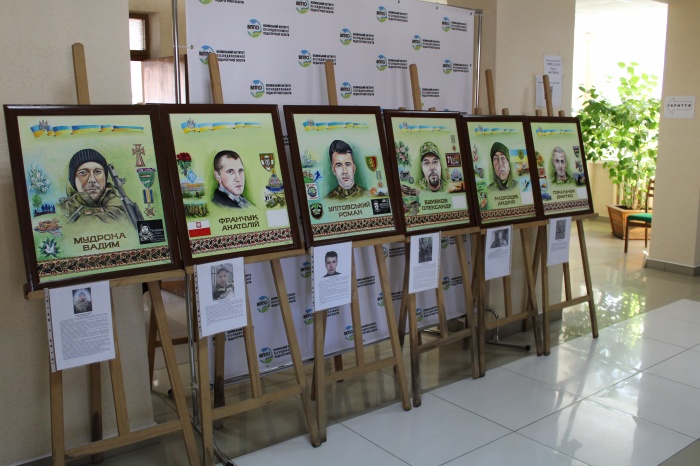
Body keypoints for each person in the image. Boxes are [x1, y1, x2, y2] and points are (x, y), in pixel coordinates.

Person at [58, 148, 127, 223]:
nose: (92, 180)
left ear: (105, 177)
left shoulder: (125, 208)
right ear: (73, 180)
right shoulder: (62, 212)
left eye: (97, 172)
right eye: (83, 173)